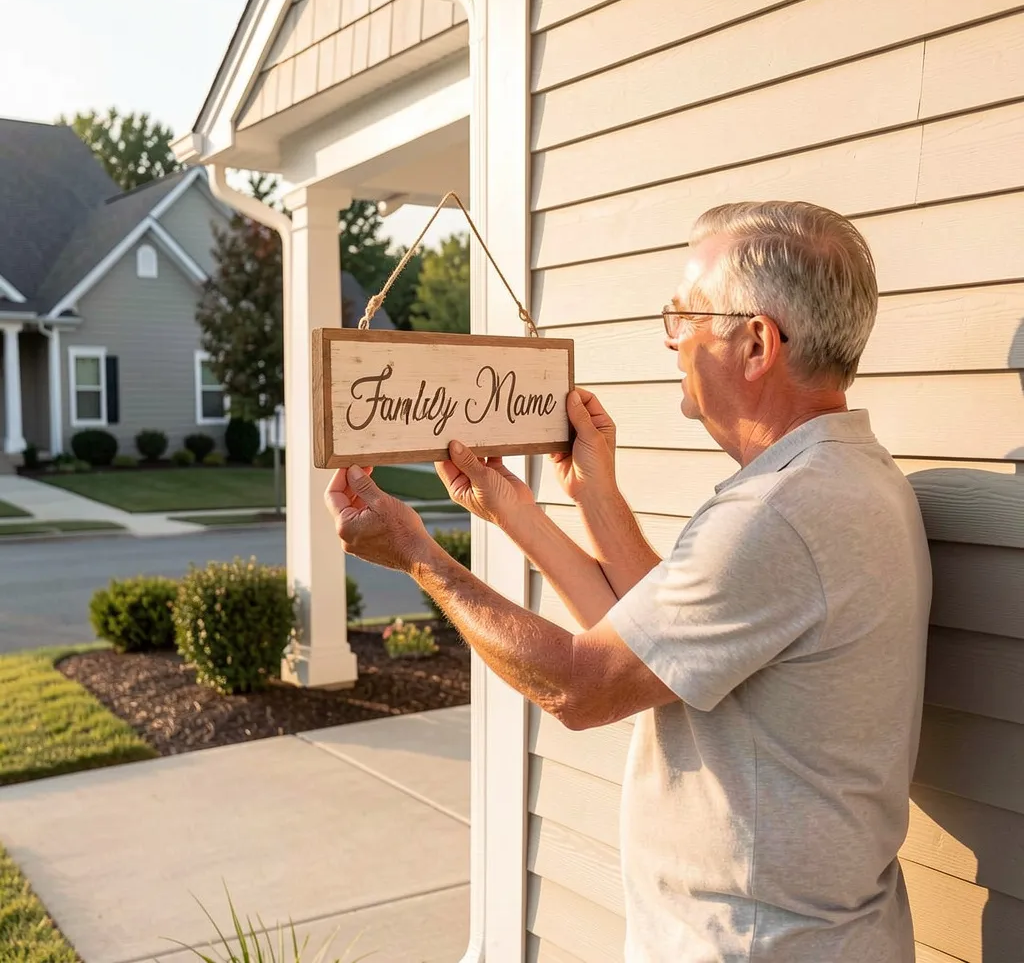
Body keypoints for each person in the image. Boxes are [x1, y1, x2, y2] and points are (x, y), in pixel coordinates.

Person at [324, 200, 932, 963]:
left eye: (683, 317)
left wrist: (420, 557)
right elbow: (653, 642)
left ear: (755, 345)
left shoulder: (779, 516)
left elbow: (582, 686)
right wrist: (542, 505)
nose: (671, 339)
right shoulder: (843, 478)